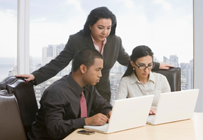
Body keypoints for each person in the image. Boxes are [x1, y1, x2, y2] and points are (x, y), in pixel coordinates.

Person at [16, 7, 172, 102]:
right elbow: (59, 62)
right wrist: (36, 76)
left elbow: (127, 60)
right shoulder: (76, 40)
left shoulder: (115, 41)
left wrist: (156, 65)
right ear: (90, 25)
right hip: (78, 91)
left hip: (102, 93)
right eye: (100, 27)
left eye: (109, 28)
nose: (105, 32)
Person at [28, 48, 112, 140]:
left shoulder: (88, 86)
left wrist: (109, 112)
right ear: (83, 69)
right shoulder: (56, 92)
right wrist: (87, 121)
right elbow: (55, 128)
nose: (100, 75)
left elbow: (102, 105)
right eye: (98, 70)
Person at [116, 45, 171, 115]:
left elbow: (169, 105)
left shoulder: (161, 79)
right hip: (137, 118)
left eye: (149, 65)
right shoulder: (126, 81)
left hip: (159, 117)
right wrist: (142, 108)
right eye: (142, 65)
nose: (146, 70)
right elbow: (119, 107)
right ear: (133, 64)